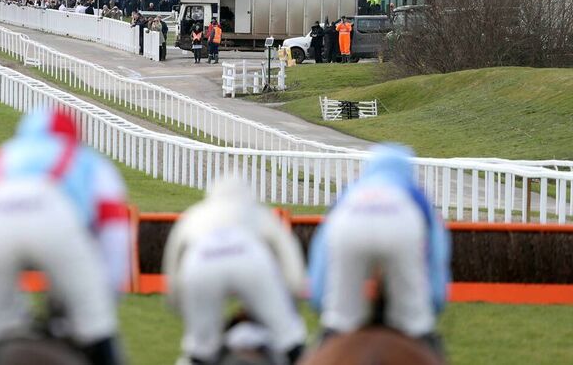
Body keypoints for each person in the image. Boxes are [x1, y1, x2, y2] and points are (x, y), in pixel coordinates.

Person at [0, 109, 130, 365]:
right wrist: (108, 290)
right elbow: (114, 230)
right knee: (95, 321)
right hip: (53, 223)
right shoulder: (85, 159)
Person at [309, 144, 450, 351]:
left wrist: (321, 299)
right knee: (415, 324)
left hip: (350, 223)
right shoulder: (415, 194)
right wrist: (433, 303)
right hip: (401, 223)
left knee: (339, 321)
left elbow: (322, 247)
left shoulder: (351, 191)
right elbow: (437, 252)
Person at [163, 176, 306, 365]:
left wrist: (177, 303)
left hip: (201, 262)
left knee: (199, 350)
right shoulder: (258, 213)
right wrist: (292, 298)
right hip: (250, 260)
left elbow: (173, 260)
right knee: (289, 337)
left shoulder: (194, 214)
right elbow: (289, 256)